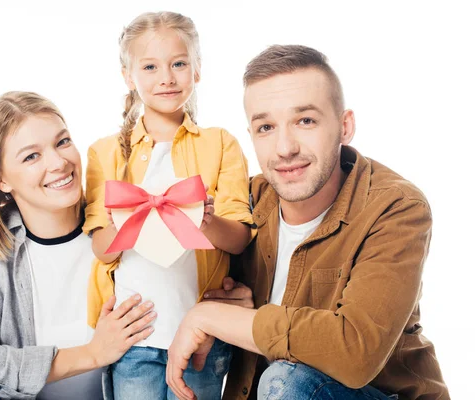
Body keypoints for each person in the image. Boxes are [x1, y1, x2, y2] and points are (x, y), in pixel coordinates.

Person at [167, 45, 449, 400]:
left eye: (305, 121)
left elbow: (355, 354)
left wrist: (212, 317)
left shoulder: (395, 206)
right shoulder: (246, 202)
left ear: (344, 126)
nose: (285, 148)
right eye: (266, 126)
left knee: (286, 381)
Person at [84, 11, 254, 400]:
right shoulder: (105, 153)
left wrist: (206, 220)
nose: (167, 77)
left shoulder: (221, 143)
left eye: (179, 63)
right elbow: (100, 249)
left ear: (197, 71)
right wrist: (130, 219)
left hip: (202, 333)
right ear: (128, 76)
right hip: (133, 334)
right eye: (150, 66)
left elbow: (240, 238)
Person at [0, 91, 156, 400]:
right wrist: (92, 354)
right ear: (0, 180)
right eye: (32, 156)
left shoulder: (115, 227)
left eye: (62, 142)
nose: (59, 163)